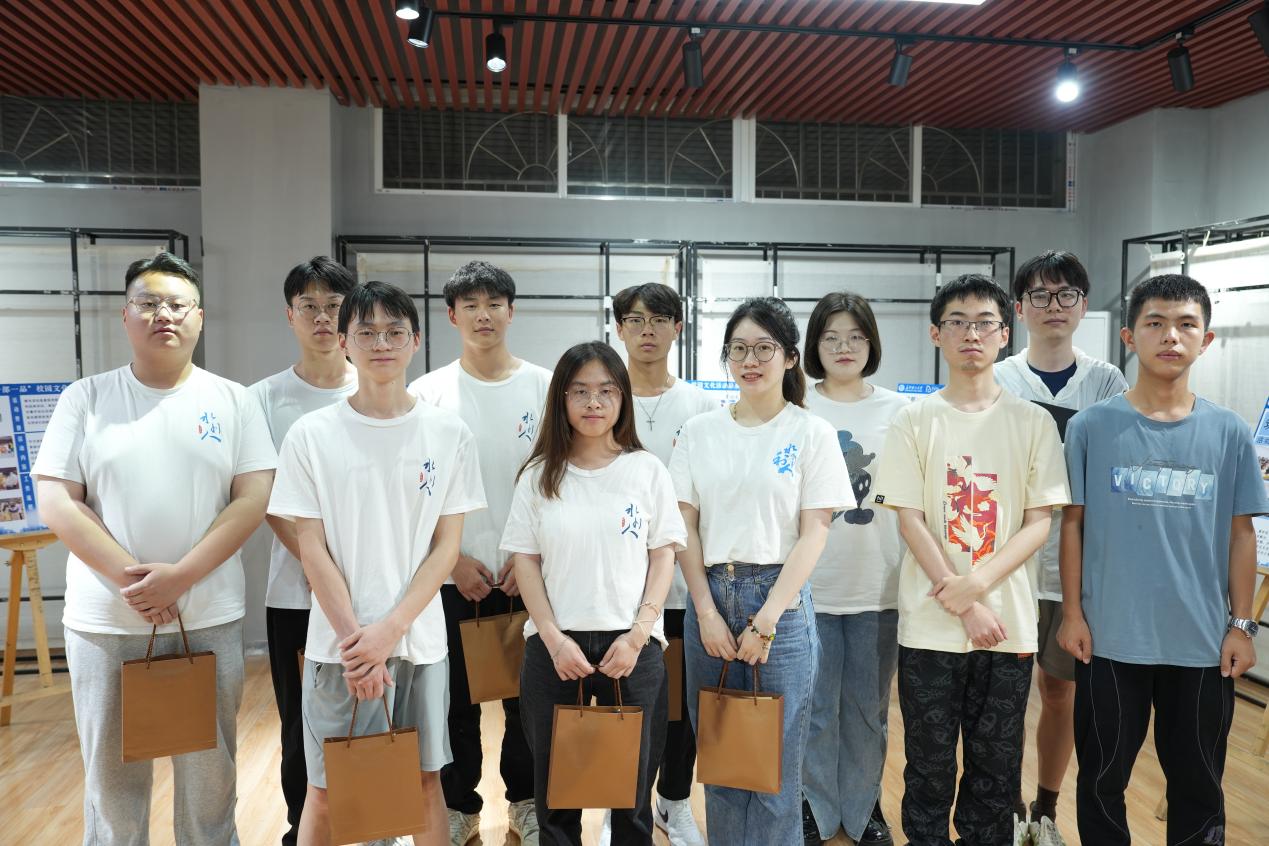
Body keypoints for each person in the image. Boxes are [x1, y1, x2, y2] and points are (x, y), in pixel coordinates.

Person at [33, 251, 277, 845]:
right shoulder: (86, 398)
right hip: (106, 622)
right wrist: (137, 582)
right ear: (125, 316)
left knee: (209, 778)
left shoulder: (234, 400)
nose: (163, 314)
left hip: (207, 616)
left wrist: (180, 577)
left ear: (200, 318)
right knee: (113, 783)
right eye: (147, 303)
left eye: (177, 304)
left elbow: (253, 498)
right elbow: (58, 501)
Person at [267, 281, 486, 846]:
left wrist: (389, 631)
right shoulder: (311, 435)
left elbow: (446, 548)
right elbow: (311, 547)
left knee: (425, 783)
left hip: (420, 643)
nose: (381, 343)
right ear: (344, 342)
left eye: (394, 332)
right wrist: (358, 645)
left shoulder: (449, 433)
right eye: (366, 332)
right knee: (325, 789)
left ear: (416, 340)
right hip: (337, 647)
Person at [1058, 274, 1268, 846]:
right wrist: (1072, 614)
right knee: (1102, 779)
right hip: (1109, 638)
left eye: (1185, 325)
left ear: (1207, 340)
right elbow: (1072, 525)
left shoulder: (1228, 432)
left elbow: (1241, 534)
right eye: (1155, 323)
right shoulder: (1091, 427)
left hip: (1201, 642)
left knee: (1199, 783)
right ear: (1129, 336)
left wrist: (1241, 625)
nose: (1170, 336)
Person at [872, 274, 1070, 846]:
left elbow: (1039, 522)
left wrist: (975, 587)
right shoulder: (914, 419)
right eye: (957, 322)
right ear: (936, 334)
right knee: (928, 769)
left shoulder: (1032, 421)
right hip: (929, 625)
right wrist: (960, 599)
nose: (971, 334)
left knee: (997, 770)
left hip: (1007, 627)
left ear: (1005, 334)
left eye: (985, 323)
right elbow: (909, 518)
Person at [669, 297, 851, 846]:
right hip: (709, 598)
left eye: (764, 348)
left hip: (781, 605)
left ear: (790, 357)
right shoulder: (699, 431)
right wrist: (706, 612)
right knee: (723, 764)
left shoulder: (811, 432)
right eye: (739, 349)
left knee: (775, 772)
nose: (750, 360)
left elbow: (815, 531)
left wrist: (767, 620)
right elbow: (683, 526)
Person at [502, 341, 685, 846]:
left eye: (606, 391)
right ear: (561, 399)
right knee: (556, 794)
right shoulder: (538, 476)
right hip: (555, 651)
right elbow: (526, 561)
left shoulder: (646, 470)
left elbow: (663, 556)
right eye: (580, 391)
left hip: (633, 649)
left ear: (622, 398)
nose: (594, 402)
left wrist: (639, 635)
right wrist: (554, 640)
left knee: (632, 796)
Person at [407, 260, 551, 846]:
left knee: (527, 702)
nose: (483, 314)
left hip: (526, 574)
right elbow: (412, 491)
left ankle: (526, 803)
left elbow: (559, 478)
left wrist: (530, 556)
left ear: (512, 312)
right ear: (451, 315)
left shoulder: (545, 387)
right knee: (454, 704)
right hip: (452, 576)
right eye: (470, 305)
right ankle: (459, 805)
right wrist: (452, 560)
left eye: (494, 304)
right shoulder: (427, 393)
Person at [994, 250, 1127, 837]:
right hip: (1006, 565)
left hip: (1074, 570)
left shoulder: (1107, 382)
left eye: (1066, 294)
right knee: (998, 697)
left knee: (1059, 691)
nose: (1054, 305)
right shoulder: (999, 378)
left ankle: (1045, 809)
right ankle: (1002, 805)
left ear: (1083, 305)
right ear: (1019, 308)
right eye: (1040, 295)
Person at [599, 282, 714, 846]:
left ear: (678, 328)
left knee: (680, 708)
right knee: (619, 702)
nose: (648, 330)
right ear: (618, 328)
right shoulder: (600, 396)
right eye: (636, 320)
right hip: (614, 586)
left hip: (682, 585)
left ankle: (673, 801)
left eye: (660, 319)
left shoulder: (701, 405)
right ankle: (619, 803)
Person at [251, 256, 359, 846]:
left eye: (334, 305)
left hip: (375, 593)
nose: (323, 318)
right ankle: (304, 828)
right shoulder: (263, 399)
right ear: (289, 315)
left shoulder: (377, 386)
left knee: (376, 713)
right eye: (309, 306)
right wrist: (320, 569)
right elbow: (267, 499)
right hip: (297, 595)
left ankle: (375, 825)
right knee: (301, 720)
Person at [799, 292, 907, 846]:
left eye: (856, 337)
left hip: (877, 585)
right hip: (807, 587)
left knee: (868, 710)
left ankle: (865, 810)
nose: (844, 347)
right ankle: (815, 808)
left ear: (872, 343)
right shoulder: (795, 406)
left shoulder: (900, 411)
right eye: (831, 337)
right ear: (814, 345)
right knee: (815, 709)